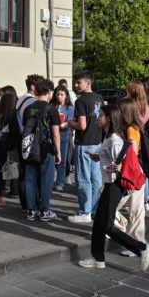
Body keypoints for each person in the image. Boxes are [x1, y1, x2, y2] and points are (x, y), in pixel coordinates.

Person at [79, 104, 149, 272]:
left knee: (107, 226)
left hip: (114, 186)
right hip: (110, 185)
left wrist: (112, 167)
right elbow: (114, 159)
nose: (97, 118)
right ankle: (98, 258)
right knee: (99, 223)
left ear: (109, 118)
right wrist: (99, 157)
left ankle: (141, 248)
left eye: (101, 115)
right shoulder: (109, 138)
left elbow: (121, 164)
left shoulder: (113, 140)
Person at [21, 78, 61, 222]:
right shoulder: (52, 109)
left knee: (30, 180)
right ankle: (44, 211)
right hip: (46, 148)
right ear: (49, 92)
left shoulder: (28, 109)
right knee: (46, 180)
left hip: (30, 147)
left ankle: (31, 211)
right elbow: (55, 134)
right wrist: (59, 152)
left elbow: (25, 128)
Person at [68, 71, 104, 223]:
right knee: (96, 178)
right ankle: (94, 209)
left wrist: (70, 123)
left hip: (84, 143)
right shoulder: (99, 98)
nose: (76, 85)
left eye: (79, 82)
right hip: (97, 142)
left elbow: (82, 125)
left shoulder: (80, 101)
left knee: (83, 179)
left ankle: (85, 212)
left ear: (88, 83)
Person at [113, 97, 147, 256]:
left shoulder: (130, 129)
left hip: (130, 170)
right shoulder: (132, 127)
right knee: (136, 209)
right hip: (134, 170)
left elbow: (131, 153)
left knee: (114, 203)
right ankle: (137, 242)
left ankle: (123, 229)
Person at [15, 74, 42, 210]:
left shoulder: (21, 99)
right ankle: (31, 202)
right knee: (31, 173)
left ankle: (24, 202)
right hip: (29, 140)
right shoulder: (32, 102)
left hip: (20, 139)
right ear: (33, 87)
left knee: (23, 171)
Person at [127, 80, 149, 206]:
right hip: (142, 138)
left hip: (133, 137)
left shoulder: (132, 105)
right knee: (142, 170)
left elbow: (130, 121)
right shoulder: (146, 106)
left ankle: (138, 198)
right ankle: (145, 198)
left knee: (135, 168)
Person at [52, 84, 74, 192]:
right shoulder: (52, 106)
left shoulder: (69, 108)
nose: (59, 96)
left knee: (62, 160)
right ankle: (50, 181)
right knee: (51, 160)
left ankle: (60, 182)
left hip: (64, 136)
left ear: (66, 96)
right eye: (57, 94)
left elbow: (70, 121)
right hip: (52, 136)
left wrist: (63, 125)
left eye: (62, 94)